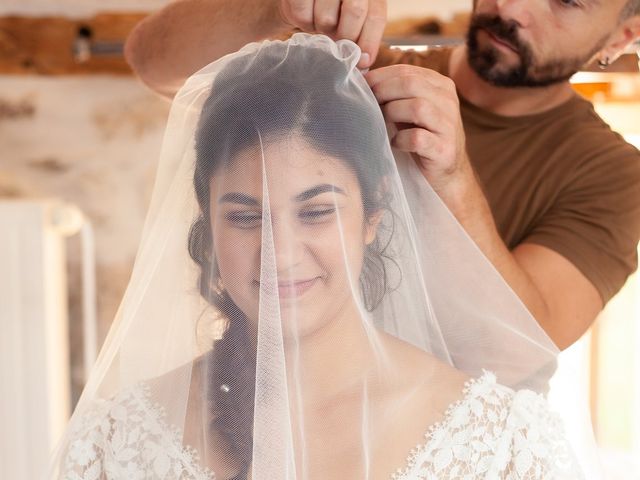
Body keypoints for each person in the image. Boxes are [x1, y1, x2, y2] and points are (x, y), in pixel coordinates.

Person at [49, 34, 588, 479]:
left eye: (315, 212)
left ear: (372, 215)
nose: (279, 255)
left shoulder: (497, 444)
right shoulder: (118, 439)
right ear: (207, 227)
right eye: (243, 216)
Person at [124, 0, 640, 351]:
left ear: (624, 34)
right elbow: (152, 63)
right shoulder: (348, 77)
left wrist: (453, 177)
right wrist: (274, 6)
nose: (512, 7)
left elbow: (529, 341)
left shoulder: (613, 174)